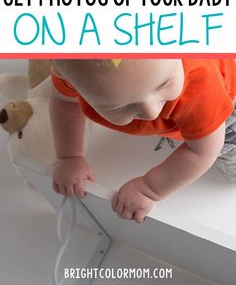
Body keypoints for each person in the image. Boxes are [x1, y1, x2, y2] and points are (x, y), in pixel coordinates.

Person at [49, 59, 236, 223]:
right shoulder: (76, 75)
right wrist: (69, 157)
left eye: (164, 83)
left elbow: (203, 151)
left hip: (223, 108)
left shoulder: (201, 83)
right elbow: (64, 103)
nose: (151, 112)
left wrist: (149, 189)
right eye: (124, 106)